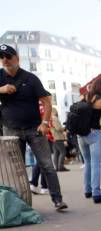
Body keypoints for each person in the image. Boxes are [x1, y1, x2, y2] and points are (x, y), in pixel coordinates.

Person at [0, 43, 67, 210]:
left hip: (34, 129)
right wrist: (2, 89)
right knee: (16, 170)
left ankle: (57, 200)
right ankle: (21, 205)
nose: (5, 60)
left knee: (47, 165)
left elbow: (46, 101)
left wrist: (45, 123)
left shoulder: (30, 78)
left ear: (17, 58)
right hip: (10, 129)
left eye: (8, 56)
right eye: (1, 57)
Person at [79, 78, 101, 203]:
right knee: (95, 163)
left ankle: (87, 191)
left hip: (80, 134)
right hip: (94, 133)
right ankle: (96, 194)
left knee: (87, 162)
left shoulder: (84, 97)